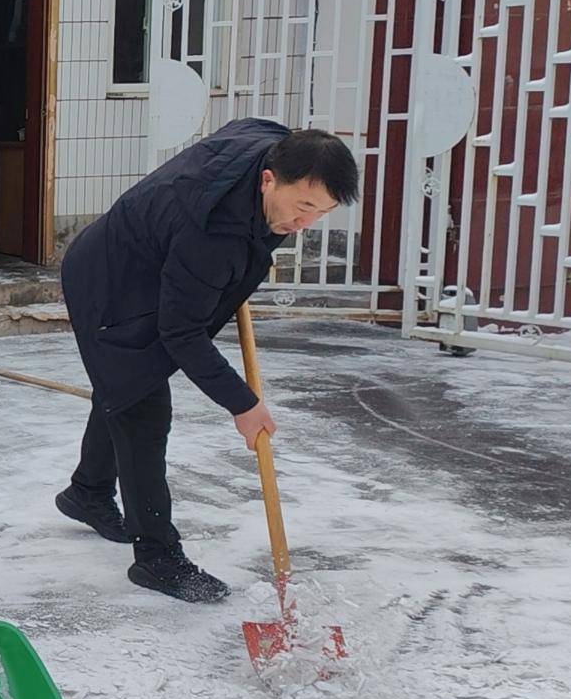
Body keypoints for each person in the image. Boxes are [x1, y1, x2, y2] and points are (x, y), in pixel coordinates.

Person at [53, 119, 359, 603]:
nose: (305, 224)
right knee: (141, 406)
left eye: (319, 213)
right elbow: (181, 333)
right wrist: (243, 403)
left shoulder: (271, 144)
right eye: (302, 207)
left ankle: (87, 491)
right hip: (111, 287)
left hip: (152, 260)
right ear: (267, 179)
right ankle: (156, 557)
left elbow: (242, 126)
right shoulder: (211, 237)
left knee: (124, 385)